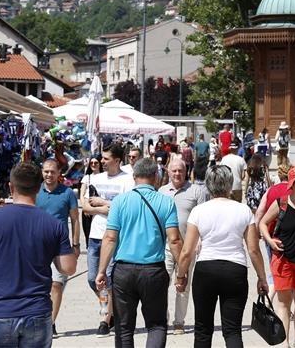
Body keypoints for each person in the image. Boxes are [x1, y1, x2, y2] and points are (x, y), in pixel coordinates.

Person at [0, 162, 77, 348]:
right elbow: (68, 268)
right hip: (37, 312)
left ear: (11, 187)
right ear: (38, 188)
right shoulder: (53, 224)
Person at [175, 165, 269, 348]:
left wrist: (181, 276)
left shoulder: (199, 211)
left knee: (202, 329)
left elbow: (187, 251)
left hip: (206, 269)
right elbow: (253, 250)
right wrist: (262, 277)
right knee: (232, 330)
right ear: (229, 184)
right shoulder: (243, 210)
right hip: (235, 269)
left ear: (208, 185)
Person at [95, 158, 182, 348]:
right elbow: (174, 240)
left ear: (134, 177)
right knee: (156, 324)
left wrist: (101, 270)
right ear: (156, 177)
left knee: (124, 327)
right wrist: (182, 272)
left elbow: (110, 238)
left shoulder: (119, 201)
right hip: (153, 270)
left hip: (124, 271)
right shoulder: (166, 202)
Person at [259, 166, 295, 348]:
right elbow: (262, 222)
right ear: (292, 184)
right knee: (283, 304)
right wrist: (269, 240)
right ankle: (284, 343)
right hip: (282, 259)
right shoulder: (281, 203)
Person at [82, 143, 135, 336]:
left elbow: (126, 208)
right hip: (95, 235)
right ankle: (112, 309)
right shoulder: (95, 178)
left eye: (106, 158)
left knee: (109, 278)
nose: (102, 162)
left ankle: (105, 318)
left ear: (117, 160)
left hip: (114, 236)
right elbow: (87, 208)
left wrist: (103, 203)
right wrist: (108, 208)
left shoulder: (127, 180)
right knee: (91, 279)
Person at [158, 158, 209, 335]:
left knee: (183, 286)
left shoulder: (197, 191)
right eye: (174, 171)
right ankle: (162, 320)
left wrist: (201, 243)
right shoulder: (162, 192)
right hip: (165, 247)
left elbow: (204, 218)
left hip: (188, 248)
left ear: (186, 171)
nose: (177, 174)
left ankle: (179, 322)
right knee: (160, 284)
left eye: (180, 170)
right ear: (168, 172)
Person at [36, 159, 81, 336]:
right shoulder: (35, 191)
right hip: (38, 245)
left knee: (56, 284)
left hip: (60, 246)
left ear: (58, 173)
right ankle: (40, 318)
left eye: (52, 172)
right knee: (39, 286)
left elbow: (75, 219)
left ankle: (50, 323)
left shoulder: (68, 193)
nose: (49, 175)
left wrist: (75, 244)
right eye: (46, 171)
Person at [80, 155, 102, 243]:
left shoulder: (104, 176)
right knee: (88, 233)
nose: (93, 164)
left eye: (96, 163)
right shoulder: (87, 177)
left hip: (99, 207)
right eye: (91, 163)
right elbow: (82, 194)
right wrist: (85, 208)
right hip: (87, 208)